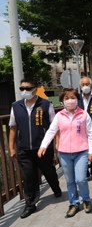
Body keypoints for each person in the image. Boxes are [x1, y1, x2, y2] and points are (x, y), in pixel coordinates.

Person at [9, 78, 62, 219]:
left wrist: (56, 144)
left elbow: (54, 126)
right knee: (28, 177)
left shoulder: (45, 104)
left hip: (43, 147)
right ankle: (30, 204)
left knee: (49, 171)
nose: (24, 91)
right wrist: (12, 148)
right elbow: (13, 128)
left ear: (35, 89)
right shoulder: (16, 106)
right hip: (24, 149)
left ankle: (56, 188)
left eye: (27, 88)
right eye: (22, 89)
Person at [38, 88, 92, 218]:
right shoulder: (59, 116)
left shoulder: (84, 114)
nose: (70, 101)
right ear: (62, 101)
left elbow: (90, 133)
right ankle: (73, 203)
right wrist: (43, 146)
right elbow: (51, 131)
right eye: (67, 98)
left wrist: (91, 151)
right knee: (70, 181)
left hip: (81, 152)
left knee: (81, 179)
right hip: (64, 153)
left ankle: (86, 200)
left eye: (73, 98)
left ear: (77, 100)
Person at [78, 76, 92, 182]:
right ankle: (85, 172)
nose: (85, 86)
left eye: (87, 84)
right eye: (83, 84)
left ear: (91, 85)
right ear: (80, 86)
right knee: (83, 150)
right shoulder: (77, 98)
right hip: (80, 129)